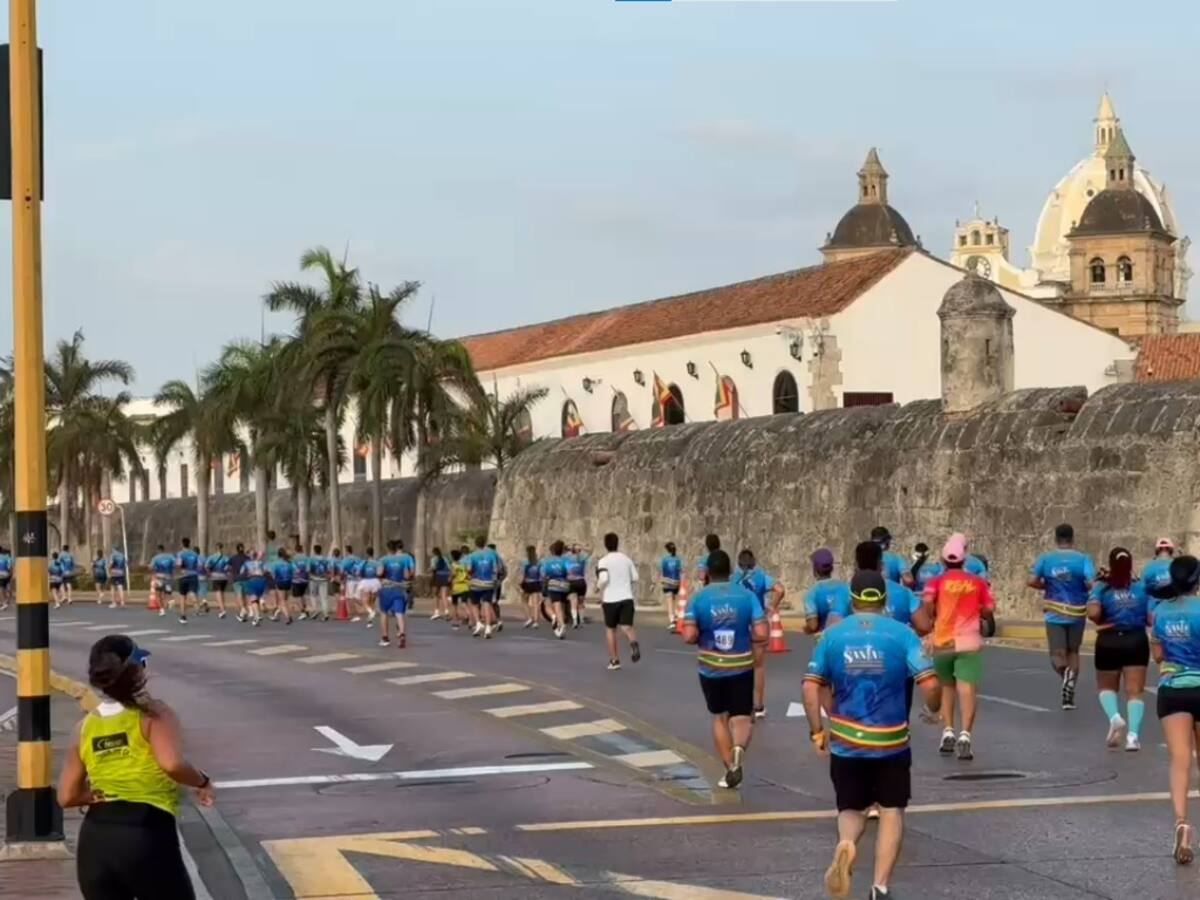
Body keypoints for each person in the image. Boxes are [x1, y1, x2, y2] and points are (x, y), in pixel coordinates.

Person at [803, 570, 941, 900]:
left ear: (852, 600)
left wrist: (817, 731)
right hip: (890, 741)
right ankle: (879, 887)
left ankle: (846, 844)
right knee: (892, 810)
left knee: (851, 808)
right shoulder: (903, 635)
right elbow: (931, 684)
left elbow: (811, 687)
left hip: (847, 741)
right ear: (883, 600)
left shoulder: (832, 637)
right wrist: (933, 708)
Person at [57, 635, 213, 900]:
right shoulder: (153, 714)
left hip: (95, 840)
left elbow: (66, 796)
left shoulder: (84, 727)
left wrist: (91, 795)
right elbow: (172, 763)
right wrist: (202, 782)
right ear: (136, 671)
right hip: (145, 833)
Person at [682, 549, 766, 790]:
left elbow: (688, 635)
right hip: (741, 664)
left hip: (711, 667)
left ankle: (730, 766)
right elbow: (762, 634)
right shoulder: (746, 596)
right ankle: (739, 748)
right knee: (741, 716)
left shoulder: (698, 599)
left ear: (707, 572)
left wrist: (700, 634)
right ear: (730, 571)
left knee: (719, 717)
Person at [922, 533, 996, 761]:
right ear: (964, 560)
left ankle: (947, 731)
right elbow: (989, 609)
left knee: (947, 687)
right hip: (969, 641)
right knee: (967, 688)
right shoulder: (977, 582)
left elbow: (926, 604)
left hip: (943, 641)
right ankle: (965, 735)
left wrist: (933, 617)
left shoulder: (935, 582)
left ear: (944, 561)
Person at [1150, 555, 1200, 865]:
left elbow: (1157, 654)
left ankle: (1182, 823)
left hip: (1172, 690)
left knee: (1180, 760)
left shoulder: (1161, 611)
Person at [1088, 547, 1150, 752]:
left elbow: (1094, 613)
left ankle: (1115, 717)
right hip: (1136, 640)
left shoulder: (1102, 588)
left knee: (1106, 687)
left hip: (1109, 640)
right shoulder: (1141, 588)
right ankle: (1133, 737)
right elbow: (1150, 618)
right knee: (1135, 691)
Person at [1029, 523, 1095, 709]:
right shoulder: (1083, 559)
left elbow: (1032, 580)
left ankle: (1065, 673)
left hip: (1054, 612)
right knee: (1073, 651)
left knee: (1057, 653)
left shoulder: (1046, 559)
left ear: (1056, 539)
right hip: (1077, 611)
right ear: (1072, 539)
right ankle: (1069, 695)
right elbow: (1091, 584)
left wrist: (1046, 585)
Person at [737, 549, 785, 718]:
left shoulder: (734, 577)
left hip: (738, 624)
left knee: (737, 665)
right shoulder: (761, 576)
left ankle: (740, 703)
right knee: (758, 666)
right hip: (758, 623)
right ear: (754, 561)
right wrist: (772, 607)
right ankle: (758, 705)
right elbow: (779, 589)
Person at [596, 532, 641, 670]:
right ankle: (633, 643)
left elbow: (603, 579)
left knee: (611, 630)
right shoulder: (626, 559)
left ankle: (614, 660)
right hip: (626, 597)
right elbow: (635, 577)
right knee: (627, 626)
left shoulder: (603, 561)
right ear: (617, 543)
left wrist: (598, 588)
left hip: (610, 599)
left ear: (605, 545)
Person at [378, 539, 416, 648]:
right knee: (399, 613)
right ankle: (402, 634)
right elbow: (407, 575)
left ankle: (385, 638)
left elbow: (379, 573)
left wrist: (383, 577)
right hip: (400, 588)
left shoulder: (383, 560)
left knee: (384, 613)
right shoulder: (404, 559)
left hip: (386, 589)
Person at [804, 549, 851, 635]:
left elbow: (812, 626)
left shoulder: (812, 593)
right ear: (832, 568)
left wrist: (806, 629)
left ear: (814, 569)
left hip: (826, 640)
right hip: (846, 637)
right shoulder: (846, 587)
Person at [467, 536, 500, 638]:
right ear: (484, 543)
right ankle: (488, 627)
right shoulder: (491, 555)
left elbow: (469, 569)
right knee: (487, 604)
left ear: (476, 544)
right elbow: (496, 570)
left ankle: (478, 623)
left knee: (475, 604)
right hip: (488, 583)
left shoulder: (472, 556)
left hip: (475, 583)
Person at [541, 541, 571, 640]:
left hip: (554, 584)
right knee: (561, 605)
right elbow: (569, 573)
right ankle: (560, 621)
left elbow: (544, 575)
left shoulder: (548, 561)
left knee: (555, 605)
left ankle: (560, 623)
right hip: (565, 584)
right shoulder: (565, 561)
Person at [175, 538, 202, 623]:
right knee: (193, 591)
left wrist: (178, 570)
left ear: (182, 544)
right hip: (194, 575)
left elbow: (179, 564)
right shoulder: (195, 554)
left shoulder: (180, 554)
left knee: (183, 596)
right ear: (189, 544)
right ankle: (194, 600)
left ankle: (183, 616)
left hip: (184, 576)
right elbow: (200, 565)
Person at [659, 542, 683, 632]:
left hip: (667, 583)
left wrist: (655, 582)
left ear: (667, 550)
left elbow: (661, 571)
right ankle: (676, 617)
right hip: (676, 583)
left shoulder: (664, 559)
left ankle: (672, 621)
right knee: (675, 600)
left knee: (669, 602)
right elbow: (680, 571)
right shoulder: (678, 559)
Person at [240, 551, 268, 626]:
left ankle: (256, 616)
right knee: (257, 599)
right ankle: (258, 613)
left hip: (252, 580)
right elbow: (266, 571)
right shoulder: (262, 563)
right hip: (261, 581)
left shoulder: (246, 563)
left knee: (253, 600)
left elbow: (241, 572)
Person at [149, 545, 176, 620]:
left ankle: (162, 610)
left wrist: (153, 571)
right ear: (163, 549)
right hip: (168, 577)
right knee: (168, 592)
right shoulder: (170, 556)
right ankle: (171, 600)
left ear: (158, 550)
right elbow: (175, 564)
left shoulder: (155, 558)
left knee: (158, 594)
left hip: (159, 578)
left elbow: (151, 567)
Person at [519, 545, 543, 628]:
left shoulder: (525, 561)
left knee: (524, 600)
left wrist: (520, 582)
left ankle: (529, 617)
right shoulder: (538, 561)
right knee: (536, 603)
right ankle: (536, 622)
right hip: (536, 583)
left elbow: (523, 574)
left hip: (528, 583)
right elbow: (541, 574)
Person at [566, 543, 588, 629]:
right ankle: (581, 621)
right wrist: (581, 547)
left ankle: (575, 621)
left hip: (571, 582)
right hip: (581, 581)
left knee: (573, 602)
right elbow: (591, 550)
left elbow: (562, 551)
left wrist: (569, 547)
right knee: (581, 602)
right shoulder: (582, 558)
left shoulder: (567, 558)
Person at [205, 543, 229, 619]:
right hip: (224, 577)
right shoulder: (226, 557)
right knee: (222, 592)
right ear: (222, 548)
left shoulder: (212, 557)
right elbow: (229, 567)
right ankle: (223, 608)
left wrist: (209, 573)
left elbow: (206, 566)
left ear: (216, 548)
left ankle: (222, 610)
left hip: (215, 576)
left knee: (218, 593)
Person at [270, 549, 295, 625]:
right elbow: (292, 572)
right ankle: (277, 613)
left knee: (282, 601)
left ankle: (288, 617)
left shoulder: (275, 563)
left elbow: (273, 575)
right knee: (286, 600)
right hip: (288, 582)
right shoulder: (289, 563)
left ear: (278, 555)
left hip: (280, 583)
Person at [227, 543, 249, 623]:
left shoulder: (233, 558)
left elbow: (228, 568)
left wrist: (230, 575)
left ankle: (243, 609)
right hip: (246, 578)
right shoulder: (247, 558)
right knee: (244, 596)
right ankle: (243, 613)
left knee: (238, 595)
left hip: (236, 579)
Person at [309, 544, 331, 622]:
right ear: (320, 550)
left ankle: (316, 609)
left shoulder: (311, 559)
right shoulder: (325, 560)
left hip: (314, 579)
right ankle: (326, 614)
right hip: (323, 580)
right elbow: (329, 570)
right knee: (324, 597)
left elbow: (308, 569)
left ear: (314, 551)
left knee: (313, 595)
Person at [449, 548, 470, 630]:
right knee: (464, 603)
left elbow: (453, 574)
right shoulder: (463, 565)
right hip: (465, 586)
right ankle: (468, 614)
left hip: (456, 587)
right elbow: (468, 574)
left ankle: (455, 622)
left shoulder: (453, 565)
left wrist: (449, 579)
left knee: (454, 605)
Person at [489, 543, 506, 633]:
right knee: (494, 602)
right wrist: (500, 580)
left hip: (489, 582)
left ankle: (494, 621)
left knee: (488, 601)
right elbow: (505, 571)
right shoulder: (499, 558)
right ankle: (497, 619)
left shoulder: (489, 557)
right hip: (497, 582)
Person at [430, 547, 451, 621]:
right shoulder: (445, 558)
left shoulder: (433, 559)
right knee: (444, 595)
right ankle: (447, 611)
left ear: (433, 553)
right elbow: (449, 567)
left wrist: (429, 569)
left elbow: (433, 568)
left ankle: (437, 612)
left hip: (437, 577)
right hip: (445, 576)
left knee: (436, 595)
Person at [291, 543, 311, 620]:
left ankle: (302, 612)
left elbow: (294, 569)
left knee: (297, 597)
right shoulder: (307, 558)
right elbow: (308, 569)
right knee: (302, 595)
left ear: (295, 550)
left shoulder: (294, 559)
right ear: (302, 550)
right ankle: (305, 610)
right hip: (305, 579)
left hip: (296, 580)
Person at [0, 545, 11, 611]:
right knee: (5, 588)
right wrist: (10, 574)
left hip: (1, 574)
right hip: (7, 574)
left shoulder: (3, 557)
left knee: (1, 589)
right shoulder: (8, 557)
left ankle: (4, 602)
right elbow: (10, 567)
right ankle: (6, 600)